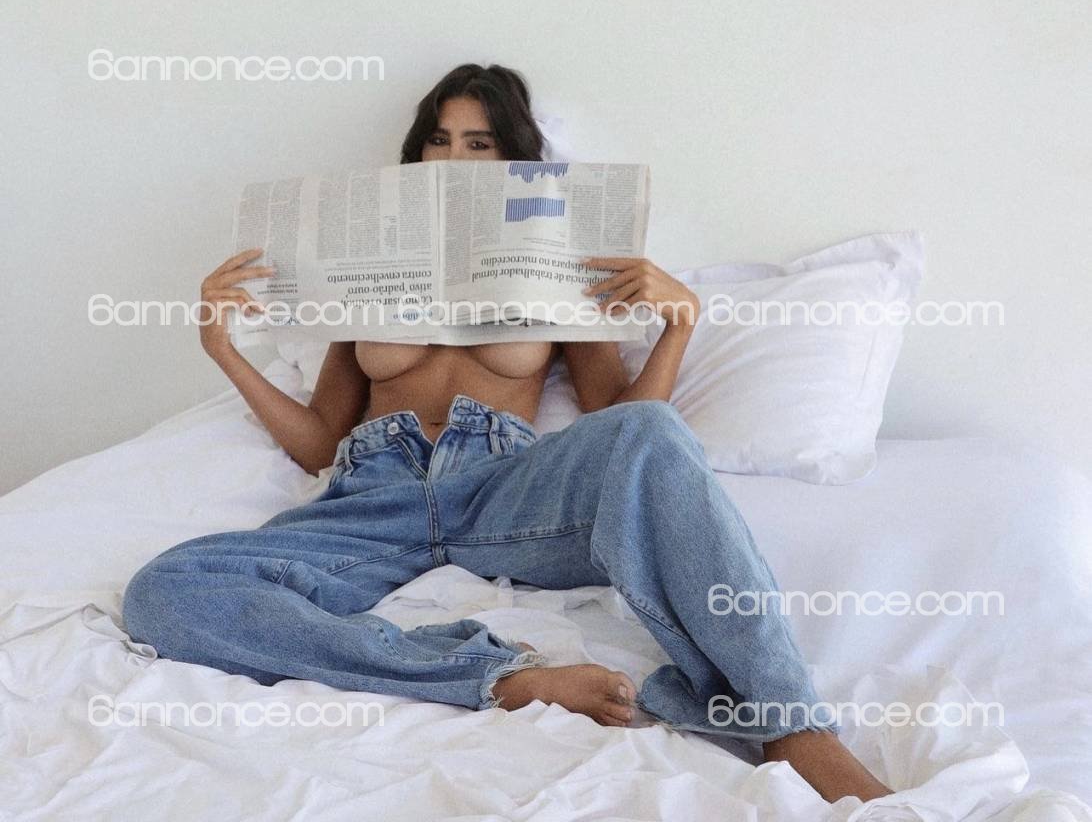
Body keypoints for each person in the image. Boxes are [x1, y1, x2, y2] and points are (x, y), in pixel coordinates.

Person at [122, 64, 892, 803]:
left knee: (651, 428)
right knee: (168, 590)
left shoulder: (556, 257)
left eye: (478, 143)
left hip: (502, 490)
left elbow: (620, 423)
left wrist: (678, 327)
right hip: (374, 493)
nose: (454, 158)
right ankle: (499, 676)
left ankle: (790, 724)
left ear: (511, 159)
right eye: (439, 139)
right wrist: (224, 351)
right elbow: (322, 442)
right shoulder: (368, 267)